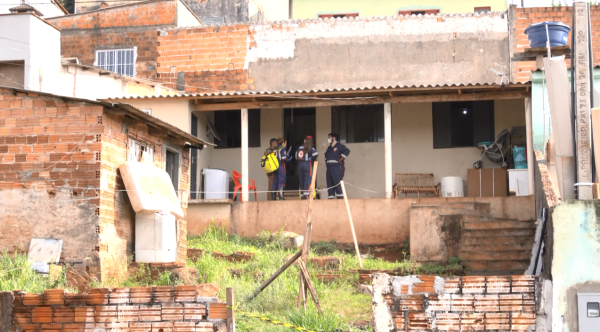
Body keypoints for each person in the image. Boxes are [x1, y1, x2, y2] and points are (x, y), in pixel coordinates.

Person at [325, 133, 350, 199]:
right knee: (330, 185)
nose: (329, 139)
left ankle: (340, 199)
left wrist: (341, 159)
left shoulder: (339, 146)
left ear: (334, 138)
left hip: (336, 168)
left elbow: (347, 151)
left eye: (330, 137)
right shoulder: (329, 148)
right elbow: (326, 156)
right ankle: (331, 199)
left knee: (337, 184)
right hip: (329, 169)